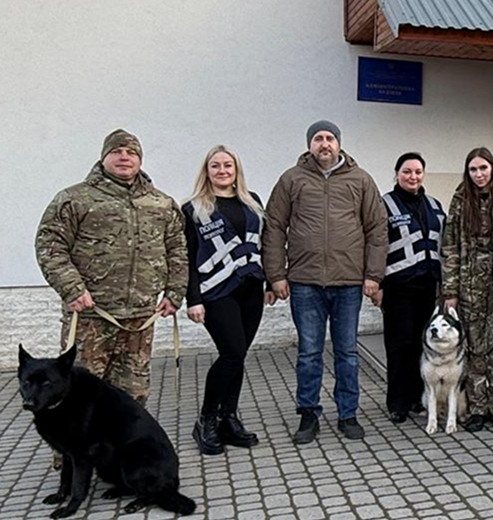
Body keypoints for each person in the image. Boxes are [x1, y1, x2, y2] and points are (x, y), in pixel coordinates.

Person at [36, 129, 187, 408]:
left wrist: (175, 292)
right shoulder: (75, 199)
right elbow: (51, 246)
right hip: (91, 317)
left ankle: (122, 452)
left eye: (131, 152)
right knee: (78, 399)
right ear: (104, 157)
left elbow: (177, 249)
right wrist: (72, 289)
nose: (124, 157)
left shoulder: (161, 204)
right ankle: (74, 453)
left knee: (133, 399)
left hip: (140, 320)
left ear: (140, 159)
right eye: (116, 151)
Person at [262, 120, 388, 444]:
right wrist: (276, 274)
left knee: (347, 352)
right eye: (318, 139)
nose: (324, 144)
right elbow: (274, 226)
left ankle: (348, 413)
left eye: (329, 138)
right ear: (309, 145)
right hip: (305, 282)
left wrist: (373, 275)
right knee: (309, 353)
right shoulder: (292, 180)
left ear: (339, 144)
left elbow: (376, 229)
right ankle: (308, 414)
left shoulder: (360, 180)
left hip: (348, 283)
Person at [183, 145, 274, 455]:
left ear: (237, 170)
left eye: (228, 165)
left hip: (251, 290)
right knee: (231, 353)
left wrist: (272, 282)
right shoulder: (194, 208)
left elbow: (265, 245)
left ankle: (228, 418)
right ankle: (206, 419)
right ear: (206, 171)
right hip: (215, 292)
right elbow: (187, 258)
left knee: (239, 355)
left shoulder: (253, 203)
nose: (222, 171)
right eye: (215, 166)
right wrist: (192, 299)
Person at [440, 148, 493, 432]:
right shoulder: (459, 200)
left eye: (483, 168)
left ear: (492, 168)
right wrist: (450, 291)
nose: (479, 174)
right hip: (468, 288)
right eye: (474, 169)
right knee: (475, 351)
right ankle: (477, 408)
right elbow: (449, 247)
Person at [378, 152, 447, 423]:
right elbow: (375, 247)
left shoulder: (435, 205)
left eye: (418, 172)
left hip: (428, 286)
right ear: (396, 174)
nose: (412, 176)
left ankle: (419, 398)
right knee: (399, 344)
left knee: (423, 343)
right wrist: (377, 283)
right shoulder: (384, 205)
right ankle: (398, 402)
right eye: (407, 171)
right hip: (397, 286)